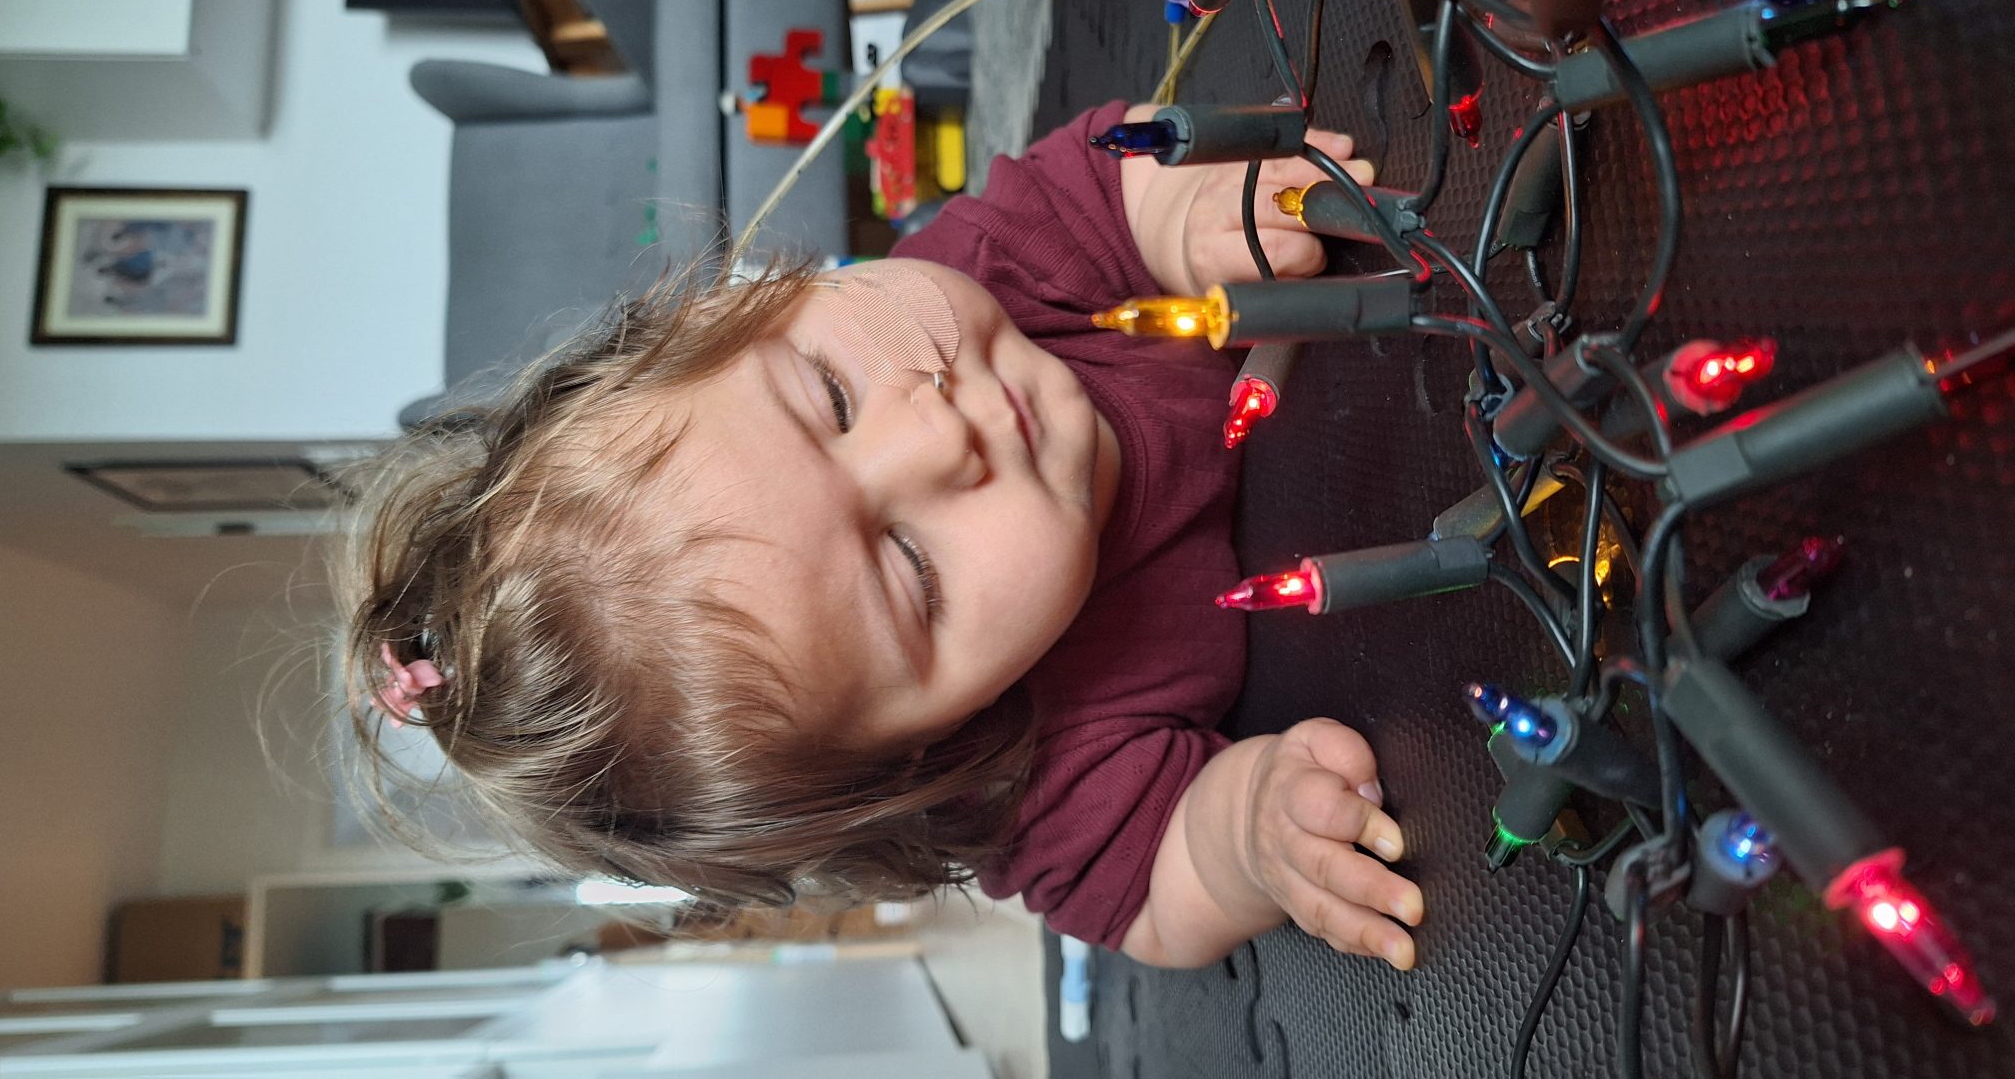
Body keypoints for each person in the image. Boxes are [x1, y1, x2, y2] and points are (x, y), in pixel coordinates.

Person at [340, 101, 1425, 970]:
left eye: (829, 395)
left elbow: (1108, 174)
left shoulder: (989, 269)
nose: (937, 434)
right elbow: (1153, 891)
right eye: (908, 566)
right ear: (919, 750)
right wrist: (1248, 836)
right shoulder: (1020, 771)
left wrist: (1183, 213)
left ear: (739, 310)